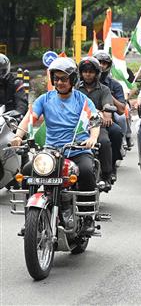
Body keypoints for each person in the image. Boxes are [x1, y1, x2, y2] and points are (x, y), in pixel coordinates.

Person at [11, 58, 100, 234]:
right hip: (51, 151)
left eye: (64, 79)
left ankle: (88, 217)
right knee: (28, 170)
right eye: (56, 78)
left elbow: (94, 122)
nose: (59, 82)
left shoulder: (83, 100)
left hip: (77, 149)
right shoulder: (45, 99)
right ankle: (30, 219)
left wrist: (92, 138)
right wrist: (17, 136)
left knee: (87, 170)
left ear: (73, 80)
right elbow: (30, 118)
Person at [76, 57, 124, 192]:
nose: (87, 74)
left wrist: (107, 115)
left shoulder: (104, 89)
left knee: (106, 139)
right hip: (77, 126)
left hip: (98, 123)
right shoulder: (75, 89)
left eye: (91, 72)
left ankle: (107, 173)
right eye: (85, 71)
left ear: (97, 73)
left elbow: (107, 104)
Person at [94, 50, 126, 180]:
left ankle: (111, 166)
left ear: (108, 66)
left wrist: (107, 93)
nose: (101, 65)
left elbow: (121, 110)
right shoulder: (80, 84)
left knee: (117, 132)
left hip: (106, 122)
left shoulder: (114, 85)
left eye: (104, 63)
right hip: (84, 122)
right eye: (98, 62)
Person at [0, 54, 28, 118]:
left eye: (1, 71)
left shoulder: (16, 83)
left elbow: (21, 102)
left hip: (9, 119)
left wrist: (19, 111)